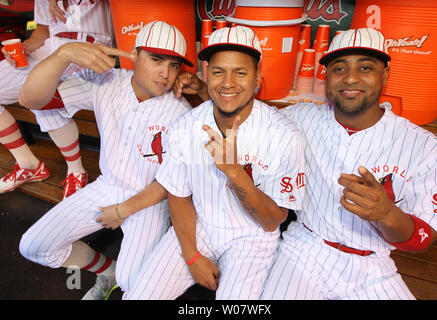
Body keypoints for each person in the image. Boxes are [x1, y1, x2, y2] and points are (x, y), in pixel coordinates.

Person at [260, 28, 437, 300]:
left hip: (373, 264)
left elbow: (423, 238)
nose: (350, 78)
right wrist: (205, 88)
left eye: (365, 67)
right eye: (339, 68)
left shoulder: (423, 146)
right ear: (326, 77)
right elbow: (246, 120)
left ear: (384, 74)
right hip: (304, 248)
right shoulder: (301, 118)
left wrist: (387, 215)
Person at [124, 25, 305, 300]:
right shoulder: (186, 126)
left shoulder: (285, 135)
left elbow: (272, 222)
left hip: (252, 238)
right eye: (219, 71)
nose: (228, 83)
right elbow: (178, 195)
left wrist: (234, 171)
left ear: (257, 76)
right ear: (206, 75)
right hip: (200, 226)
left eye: (240, 72)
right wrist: (192, 255)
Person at [18, 20, 193, 300]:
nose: (165, 73)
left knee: (133, 283)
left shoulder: (182, 110)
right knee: (34, 245)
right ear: (134, 55)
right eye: (156, 59)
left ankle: (119, 275)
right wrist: (62, 55)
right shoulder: (106, 81)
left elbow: (170, 183)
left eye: (174, 65)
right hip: (107, 186)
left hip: (150, 202)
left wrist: (123, 211)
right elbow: (31, 99)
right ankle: (105, 270)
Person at [0, 0, 114, 200]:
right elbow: (43, 30)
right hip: (51, 47)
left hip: (92, 49)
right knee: (37, 84)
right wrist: (25, 46)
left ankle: (76, 171)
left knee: (40, 90)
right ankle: (29, 165)